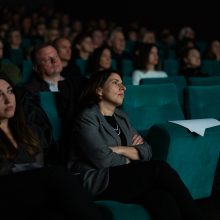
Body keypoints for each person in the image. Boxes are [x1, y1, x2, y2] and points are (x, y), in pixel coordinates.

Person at [69, 69, 206, 220]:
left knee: (163, 199)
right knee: (159, 168)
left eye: (122, 83)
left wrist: (121, 150)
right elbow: (104, 160)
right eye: (115, 83)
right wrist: (132, 155)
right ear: (99, 90)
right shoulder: (87, 118)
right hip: (98, 181)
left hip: (124, 176)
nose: (123, 87)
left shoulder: (122, 117)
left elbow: (147, 150)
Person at [0, 72, 103, 220]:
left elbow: (41, 163)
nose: (7, 99)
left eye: (10, 91)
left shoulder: (27, 130)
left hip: (36, 193)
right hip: (8, 194)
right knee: (59, 175)